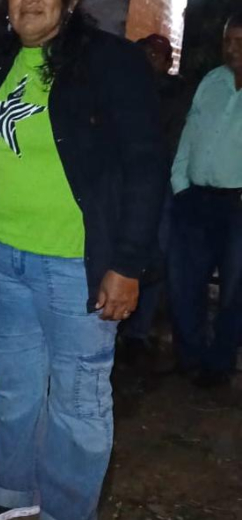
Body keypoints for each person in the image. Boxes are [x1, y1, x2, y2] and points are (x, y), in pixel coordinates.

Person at [0, 0, 165, 520]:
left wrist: (126, 263)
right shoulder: (2, 61)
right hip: (4, 252)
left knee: (78, 397)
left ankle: (67, 509)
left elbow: (145, 164)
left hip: (74, 263)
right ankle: (13, 490)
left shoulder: (110, 61)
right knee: (15, 385)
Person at [167, 13, 242, 388]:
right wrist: (180, 184)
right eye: (228, 41)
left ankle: (218, 364)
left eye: (240, 42)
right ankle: (189, 357)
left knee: (234, 291)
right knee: (184, 283)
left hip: (237, 206)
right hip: (196, 199)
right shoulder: (212, 81)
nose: (232, 49)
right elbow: (190, 134)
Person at [118, 34, 191, 363]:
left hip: (159, 185)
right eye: (145, 52)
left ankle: (138, 331)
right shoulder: (123, 86)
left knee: (154, 258)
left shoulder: (175, 95)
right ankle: (117, 324)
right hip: (121, 183)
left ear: (167, 63)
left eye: (156, 55)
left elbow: (172, 141)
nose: (149, 59)